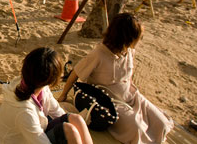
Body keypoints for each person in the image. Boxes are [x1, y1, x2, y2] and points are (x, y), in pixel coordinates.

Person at [58, 13, 174, 144]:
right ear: (127, 38)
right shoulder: (99, 54)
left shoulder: (129, 51)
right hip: (111, 101)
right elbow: (75, 73)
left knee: (161, 123)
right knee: (136, 128)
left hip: (131, 96)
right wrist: (63, 95)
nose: (140, 39)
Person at [0, 47, 93, 144]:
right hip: (21, 140)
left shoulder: (38, 85)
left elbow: (57, 112)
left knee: (76, 119)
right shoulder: (24, 112)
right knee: (70, 131)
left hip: (36, 132)